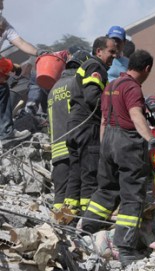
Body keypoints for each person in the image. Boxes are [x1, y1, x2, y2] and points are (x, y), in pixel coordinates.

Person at [82, 49, 155, 267]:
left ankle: (86, 228)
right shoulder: (132, 88)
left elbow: (103, 121)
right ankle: (126, 249)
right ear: (147, 69)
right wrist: (151, 139)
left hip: (108, 140)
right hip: (127, 144)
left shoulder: (111, 86)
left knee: (106, 190)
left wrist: (105, 148)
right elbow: (136, 114)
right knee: (132, 197)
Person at [63, 36, 117, 214]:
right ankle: (88, 216)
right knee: (90, 170)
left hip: (74, 124)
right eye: (111, 51)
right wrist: (112, 114)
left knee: (75, 171)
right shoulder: (96, 66)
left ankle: (70, 212)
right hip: (87, 125)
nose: (114, 56)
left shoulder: (86, 66)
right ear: (98, 51)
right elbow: (92, 96)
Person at [48, 50, 91, 210]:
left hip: (57, 149)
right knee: (76, 196)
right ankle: (75, 229)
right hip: (74, 146)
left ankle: (58, 227)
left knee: (59, 198)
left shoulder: (54, 88)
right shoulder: (77, 83)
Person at [0, 13, 44, 143]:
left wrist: (38, 52)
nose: (1, 34)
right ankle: (5, 132)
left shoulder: (5, 24)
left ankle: (5, 132)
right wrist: (10, 66)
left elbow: (21, 42)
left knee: (2, 88)